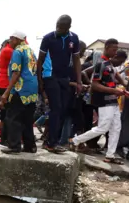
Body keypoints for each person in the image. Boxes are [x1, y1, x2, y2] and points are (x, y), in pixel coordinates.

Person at [69, 39, 129, 164]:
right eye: (113, 49)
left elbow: (116, 79)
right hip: (104, 101)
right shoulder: (100, 64)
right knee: (103, 128)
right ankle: (75, 140)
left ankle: (110, 155)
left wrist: (124, 90)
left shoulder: (109, 64)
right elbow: (95, 85)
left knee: (116, 128)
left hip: (113, 101)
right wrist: (114, 91)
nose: (115, 52)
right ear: (107, 47)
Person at [37, 15, 82, 153]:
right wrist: (40, 81)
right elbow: (40, 60)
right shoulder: (48, 38)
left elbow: (76, 60)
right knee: (56, 108)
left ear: (68, 27)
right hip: (50, 76)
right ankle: (52, 143)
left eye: (62, 28)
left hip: (65, 78)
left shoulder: (74, 38)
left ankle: (49, 139)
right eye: (57, 26)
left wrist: (79, 81)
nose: (58, 29)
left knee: (62, 110)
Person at [0, 31, 38, 154]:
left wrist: (6, 92)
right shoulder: (31, 51)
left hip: (20, 89)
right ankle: (30, 146)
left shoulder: (17, 51)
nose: (9, 42)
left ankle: (14, 146)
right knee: (27, 118)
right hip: (32, 90)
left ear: (16, 39)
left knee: (13, 117)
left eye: (11, 39)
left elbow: (16, 72)